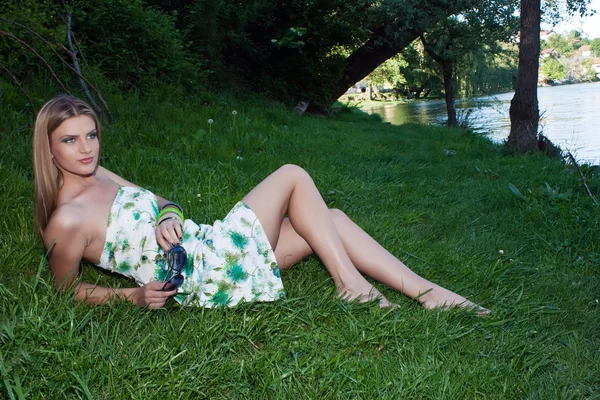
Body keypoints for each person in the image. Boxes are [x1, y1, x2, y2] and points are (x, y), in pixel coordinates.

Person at [34, 95, 486, 313]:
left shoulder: (100, 174)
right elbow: (64, 292)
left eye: (90, 135)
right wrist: (133, 296)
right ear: (48, 149)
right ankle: (350, 284)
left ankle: (426, 293)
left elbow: (164, 202)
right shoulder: (67, 222)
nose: (86, 148)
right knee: (291, 175)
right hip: (203, 276)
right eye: (70, 140)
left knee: (330, 218)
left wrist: (168, 216)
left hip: (209, 246)